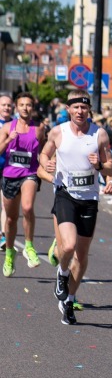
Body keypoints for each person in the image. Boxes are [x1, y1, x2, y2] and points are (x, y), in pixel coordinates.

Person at [39, 89, 112, 325]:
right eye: (76, 107)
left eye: (84, 107)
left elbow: (110, 166)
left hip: (89, 199)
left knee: (81, 255)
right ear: (68, 109)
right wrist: (48, 165)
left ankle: (69, 301)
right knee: (69, 245)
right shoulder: (57, 132)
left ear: (89, 109)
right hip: (65, 194)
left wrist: (102, 167)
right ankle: (62, 274)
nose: (80, 111)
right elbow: (43, 156)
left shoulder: (99, 134)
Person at [0, 92, 46, 277]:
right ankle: (10, 253)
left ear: (32, 108)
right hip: (10, 175)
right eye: (22, 105)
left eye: (29, 105)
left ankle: (28, 246)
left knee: (27, 208)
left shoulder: (39, 128)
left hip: (30, 173)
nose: (25, 108)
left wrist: (48, 164)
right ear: (16, 108)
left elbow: (44, 151)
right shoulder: (7, 127)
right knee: (11, 219)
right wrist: (9, 139)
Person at [0, 94, 14, 251]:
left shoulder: (17, 124)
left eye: (9, 105)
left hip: (9, 169)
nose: (6, 108)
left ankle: (3, 235)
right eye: (3, 105)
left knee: (5, 203)